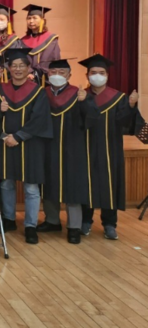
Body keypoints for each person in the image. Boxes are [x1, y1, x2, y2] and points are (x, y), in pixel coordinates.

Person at [0, 48, 53, 244]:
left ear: (29, 68)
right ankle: (8, 219)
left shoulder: (38, 92)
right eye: (14, 65)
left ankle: (30, 225)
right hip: (4, 142)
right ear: (8, 68)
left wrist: (19, 136)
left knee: (31, 187)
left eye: (22, 65)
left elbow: (40, 119)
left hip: (30, 144)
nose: (18, 69)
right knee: (6, 183)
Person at [78, 54, 143, 240]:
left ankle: (109, 224)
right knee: (86, 184)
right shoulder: (82, 96)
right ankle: (85, 221)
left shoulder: (119, 98)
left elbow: (125, 123)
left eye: (101, 72)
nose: (97, 76)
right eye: (93, 72)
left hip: (110, 148)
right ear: (87, 75)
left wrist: (131, 105)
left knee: (110, 185)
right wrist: (81, 103)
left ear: (107, 75)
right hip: (85, 147)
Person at [39, 59, 94, 243]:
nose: (57, 75)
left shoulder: (78, 94)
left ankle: (74, 227)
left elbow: (92, 118)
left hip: (73, 146)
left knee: (73, 185)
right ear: (48, 74)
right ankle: (52, 220)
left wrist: (84, 103)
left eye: (62, 72)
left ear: (69, 75)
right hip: (48, 145)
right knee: (49, 182)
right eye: (53, 72)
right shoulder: (43, 93)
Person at [20, 4, 61, 86]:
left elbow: (53, 59)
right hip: (27, 80)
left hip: (45, 81)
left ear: (42, 20)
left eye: (34, 18)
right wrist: (28, 72)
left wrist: (37, 73)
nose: (31, 21)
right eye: (29, 18)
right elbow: (21, 60)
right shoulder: (22, 41)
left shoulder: (51, 39)